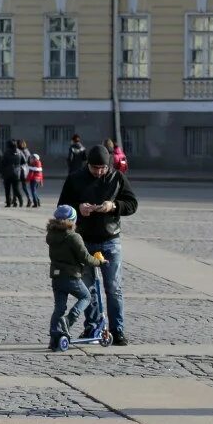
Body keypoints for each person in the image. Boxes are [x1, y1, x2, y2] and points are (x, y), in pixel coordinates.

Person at [56, 144, 138, 346]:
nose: (99, 172)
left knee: (113, 287)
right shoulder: (75, 178)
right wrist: (78, 208)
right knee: (88, 287)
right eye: (94, 168)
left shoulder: (117, 178)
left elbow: (132, 204)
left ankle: (117, 331)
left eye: (102, 168)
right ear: (88, 165)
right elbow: (61, 207)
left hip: (110, 239)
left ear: (108, 165)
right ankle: (92, 327)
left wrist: (115, 206)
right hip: (83, 239)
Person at [45, 204, 106, 351]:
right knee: (86, 297)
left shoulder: (51, 235)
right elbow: (85, 258)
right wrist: (99, 262)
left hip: (56, 277)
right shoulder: (73, 237)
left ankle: (55, 337)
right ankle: (69, 320)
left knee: (59, 308)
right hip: (71, 276)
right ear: (73, 220)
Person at [1, 139, 25, 208]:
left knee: (7, 189)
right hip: (16, 173)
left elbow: (2, 163)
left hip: (7, 173)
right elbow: (24, 161)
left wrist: (1, 172)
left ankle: (8, 203)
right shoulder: (19, 152)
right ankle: (20, 201)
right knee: (16, 189)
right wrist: (19, 166)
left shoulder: (6, 152)